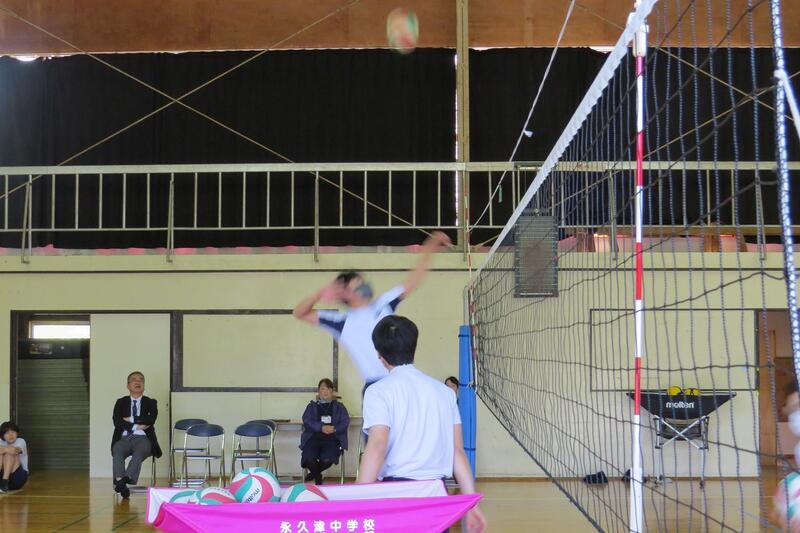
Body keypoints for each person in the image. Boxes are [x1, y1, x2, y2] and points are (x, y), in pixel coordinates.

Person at [357, 315, 486, 533]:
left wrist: (357, 500)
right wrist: (472, 504)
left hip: (397, 495)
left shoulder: (378, 392)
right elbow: (457, 452)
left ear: (379, 354)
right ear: (413, 346)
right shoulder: (444, 393)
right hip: (437, 495)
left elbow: (377, 446)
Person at [293, 231, 451, 393]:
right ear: (346, 293)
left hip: (400, 381)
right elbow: (300, 313)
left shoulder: (383, 303)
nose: (365, 286)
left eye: (363, 282)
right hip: (375, 386)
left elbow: (413, 281)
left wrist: (430, 245)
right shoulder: (340, 321)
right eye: (358, 284)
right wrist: (320, 293)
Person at [111, 371, 162, 499]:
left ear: (143, 386)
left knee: (138, 453)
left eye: (141, 380)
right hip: (124, 437)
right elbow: (117, 421)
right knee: (117, 450)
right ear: (128, 385)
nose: (138, 382)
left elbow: (151, 419)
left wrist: (130, 418)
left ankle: (122, 481)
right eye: (134, 380)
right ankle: (121, 483)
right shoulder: (121, 402)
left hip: (143, 438)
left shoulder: (151, 402)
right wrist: (136, 426)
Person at [300, 378, 350, 485]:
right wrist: (321, 427)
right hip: (313, 437)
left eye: (328, 389)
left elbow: (345, 421)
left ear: (332, 391)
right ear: (319, 391)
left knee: (327, 460)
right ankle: (318, 477)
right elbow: (306, 420)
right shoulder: (312, 406)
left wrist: (335, 428)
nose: (325, 391)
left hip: (333, 438)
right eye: (323, 389)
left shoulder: (339, 407)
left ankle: (314, 474)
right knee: (309, 458)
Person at [0, 422, 28, 493]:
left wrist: (3, 449)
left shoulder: (21, 441)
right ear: (3, 435)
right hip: (2, 473)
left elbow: (14, 450)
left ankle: (4, 483)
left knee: (9, 454)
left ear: (17, 433)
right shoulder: (0, 441)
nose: (10, 435)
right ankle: (3, 483)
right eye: (7, 433)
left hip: (17, 477)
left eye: (13, 432)